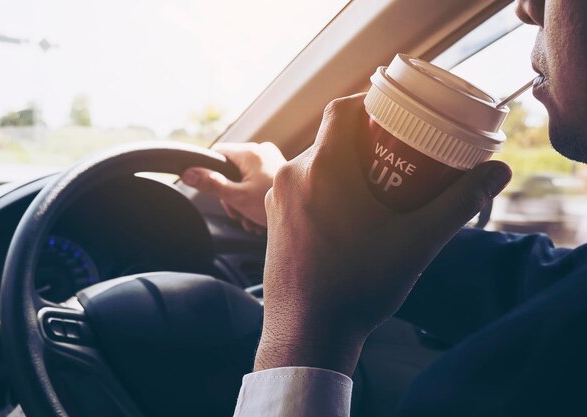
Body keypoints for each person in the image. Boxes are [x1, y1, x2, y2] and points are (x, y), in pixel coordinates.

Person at [181, 0, 587, 415]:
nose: (526, 7)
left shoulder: (495, 396)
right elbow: (534, 283)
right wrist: (305, 217)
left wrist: (307, 336)